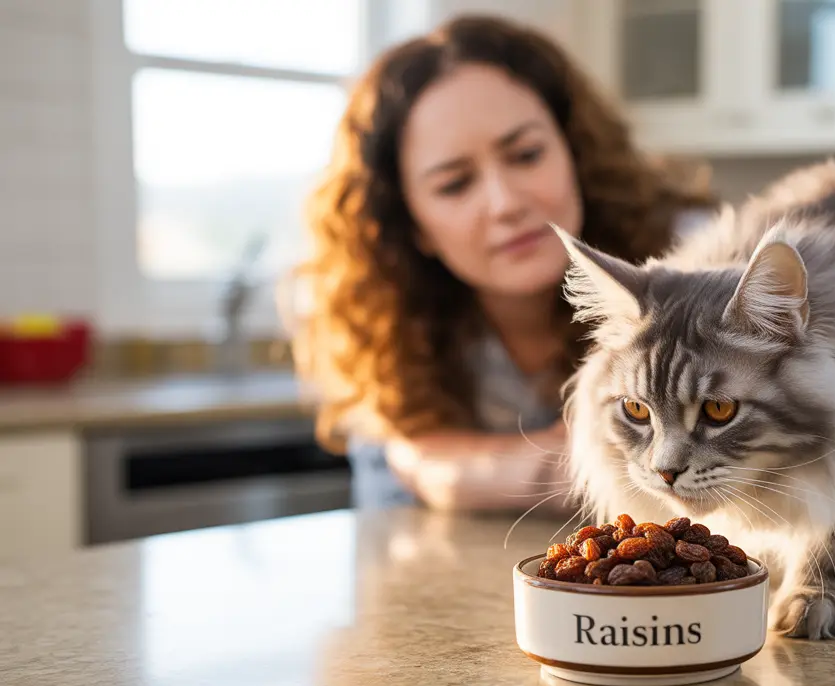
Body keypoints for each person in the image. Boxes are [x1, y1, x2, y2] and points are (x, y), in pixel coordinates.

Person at [284, 14, 718, 513]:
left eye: (527, 154)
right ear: (413, 224)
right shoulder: (380, 331)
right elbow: (396, 527)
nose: (504, 202)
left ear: (573, 152)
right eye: (454, 184)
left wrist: (463, 471)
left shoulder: (694, 258)